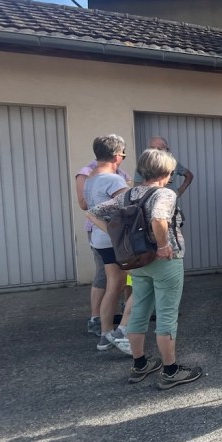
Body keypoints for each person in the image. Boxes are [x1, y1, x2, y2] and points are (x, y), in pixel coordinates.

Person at [87, 148, 202, 390]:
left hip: (138, 261)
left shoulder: (129, 194)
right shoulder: (165, 193)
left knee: (139, 309)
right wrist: (162, 245)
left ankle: (140, 364)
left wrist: (116, 235)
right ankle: (170, 370)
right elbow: (159, 218)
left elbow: (94, 212)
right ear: (167, 172)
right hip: (165, 260)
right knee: (167, 314)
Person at [82, 135, 132, 355]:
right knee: (132, 283)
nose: (122, 158)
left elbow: (88, 206)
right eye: (123, 154)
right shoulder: (114, 180)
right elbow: (128, 210)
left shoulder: (90, 179)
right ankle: (121, 332)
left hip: (100, 238)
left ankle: (105, 334)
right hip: (115, 239)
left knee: (113, 285)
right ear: (116, 156)